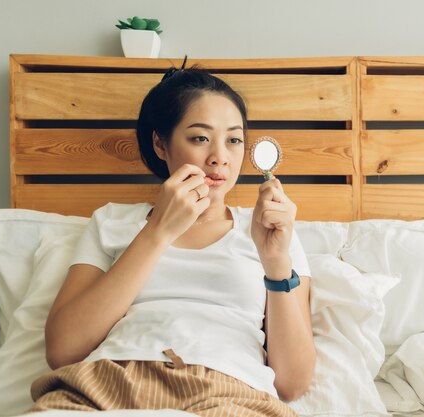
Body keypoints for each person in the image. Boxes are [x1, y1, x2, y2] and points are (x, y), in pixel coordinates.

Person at [27, 60, 316, 416]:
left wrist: (275, 262)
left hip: (229, 392)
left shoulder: (273, 234)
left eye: (234, 140)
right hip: (109, 383)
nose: (219, 158)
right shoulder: (112, 222)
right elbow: (63, 350)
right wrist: (158, 231)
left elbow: (293, 383)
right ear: (160, 145)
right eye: (200, 138)